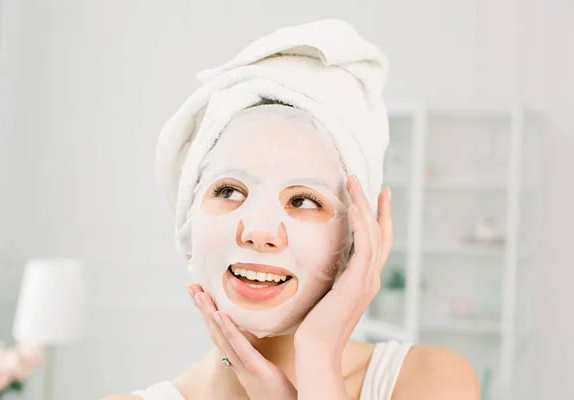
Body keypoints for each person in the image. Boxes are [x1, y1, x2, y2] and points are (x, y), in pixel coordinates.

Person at [103, 20, 480, 400]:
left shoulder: (430, 381)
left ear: (355, 239)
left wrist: (318, 357)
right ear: (189, 221)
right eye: (230, 191)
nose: (259, 231)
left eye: (302, 200)